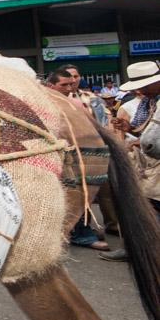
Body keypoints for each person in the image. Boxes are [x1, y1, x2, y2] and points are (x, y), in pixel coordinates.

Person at [45, 67, 111, 251]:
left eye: (72, 82)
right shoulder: (44, 102)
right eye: (63, 84)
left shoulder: (80, 101)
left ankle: (80, 230)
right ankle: (79, 234)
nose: (69, 87)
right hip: (56, 155)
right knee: (70, 193)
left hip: (80, 154)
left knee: (82, 191)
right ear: (51, 85)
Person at [100, 60, 160, 262]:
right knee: (143, 203)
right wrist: (129, 129)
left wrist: (138, 142)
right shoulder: (148, 102)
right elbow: (148, 131)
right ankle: (135, 248)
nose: (140, 90)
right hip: (148, 163)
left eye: (144, 85)